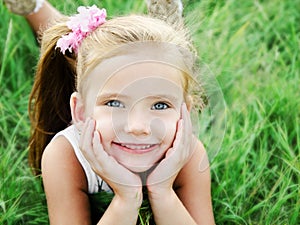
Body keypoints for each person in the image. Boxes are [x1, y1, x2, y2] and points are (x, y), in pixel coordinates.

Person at [28, 2, 215, 225]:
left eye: (160, 105)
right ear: (79, 111)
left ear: (185, 113)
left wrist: (161, 191)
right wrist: (127, 198)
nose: (138, 127)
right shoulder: (65, 155)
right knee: (60, 34)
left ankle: (164, 21)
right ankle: (33, 7)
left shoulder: (188, 154)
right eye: (115, 103)